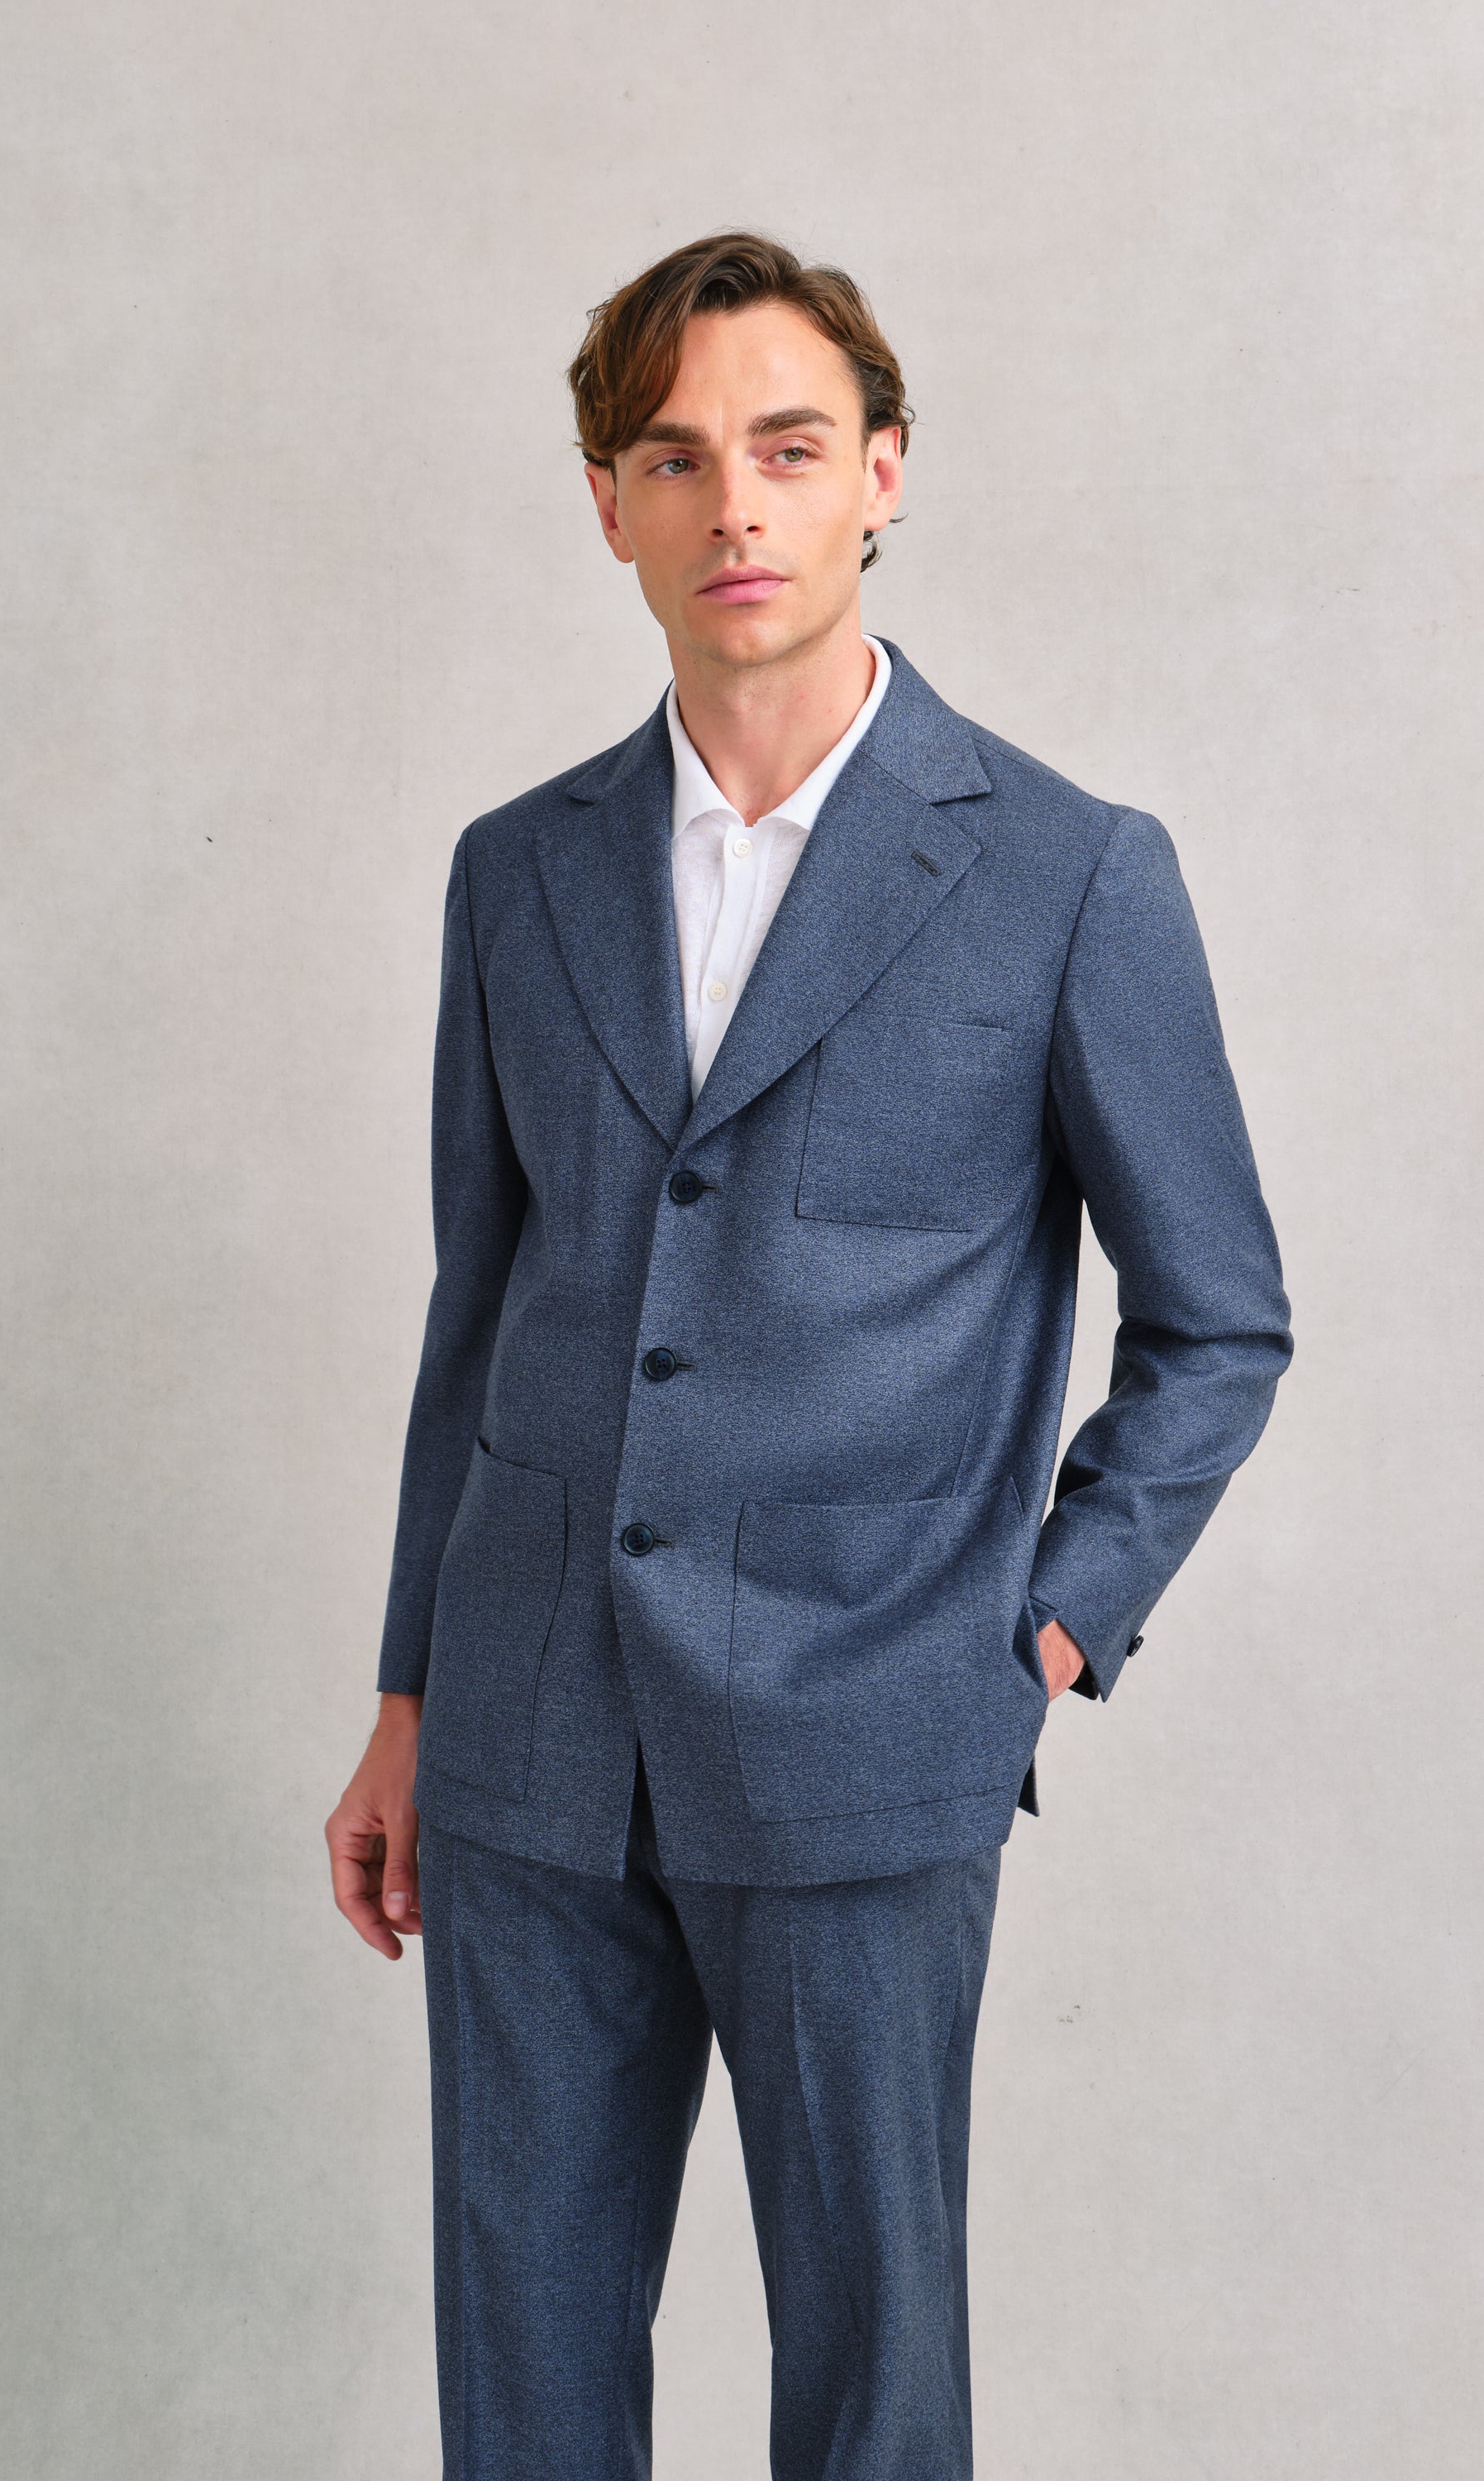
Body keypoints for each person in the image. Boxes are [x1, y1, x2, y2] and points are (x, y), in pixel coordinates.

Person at [325, 231, 1292, 2480]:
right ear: (609, 505)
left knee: (871, 2387)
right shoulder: (516, 873)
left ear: (883, 474)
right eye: (677, 459)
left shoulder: (1067, 873)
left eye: (786, 447)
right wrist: (409, 1695)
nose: (734, 506)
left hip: (875, 1726)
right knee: (524, 2382)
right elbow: (481, 1307)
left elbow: (1221, 1316)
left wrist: (1047, 1623)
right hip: (530, 1735)